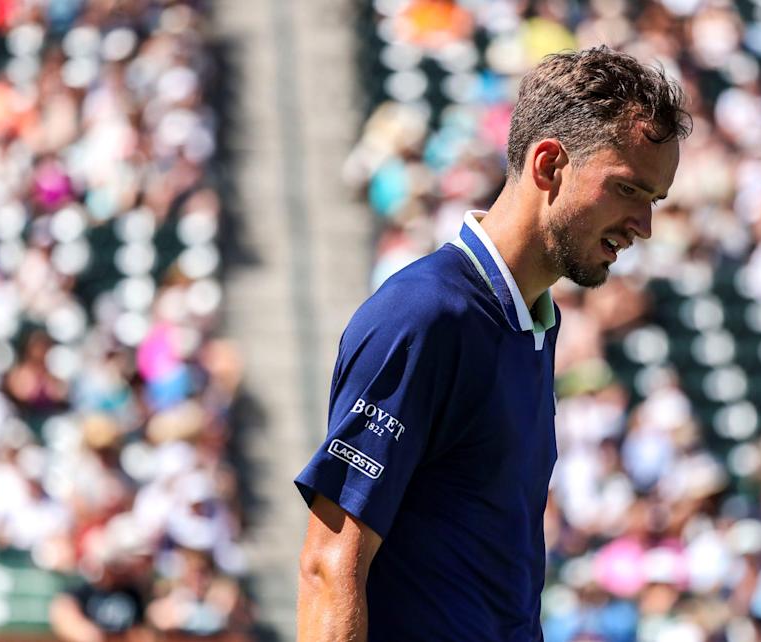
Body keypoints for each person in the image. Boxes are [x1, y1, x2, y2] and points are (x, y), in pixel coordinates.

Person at [294, 46, 691, 641]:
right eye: (629, 191)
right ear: (549, 165)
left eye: (653, 201)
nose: (645, 226)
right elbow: (330, 567)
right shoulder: (423, 316)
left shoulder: (533, 324)